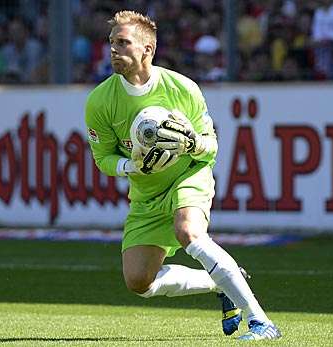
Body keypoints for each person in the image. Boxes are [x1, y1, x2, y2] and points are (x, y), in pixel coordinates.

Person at [84, 10, 281, 340]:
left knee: (189, 231)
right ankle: (220, 282)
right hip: (147, 194)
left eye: (123, 42)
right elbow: (103, 158)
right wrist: (131, 166)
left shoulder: (182, 88)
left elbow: (211, 147)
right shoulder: (100, 101)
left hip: (188, 175)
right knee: (138, 282)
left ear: (148, 49)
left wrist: (189, 143)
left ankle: (261, 322)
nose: (113, 49)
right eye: (111, 42)